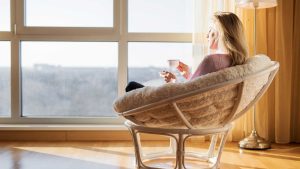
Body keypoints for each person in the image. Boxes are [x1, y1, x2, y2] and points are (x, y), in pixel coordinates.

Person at [126, 12, 248, 92]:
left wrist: (172, 81)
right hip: (195, 108)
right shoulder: (234, 61)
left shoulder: (212, 60)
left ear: (220, 34)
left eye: (210, 31)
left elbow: (186, 93)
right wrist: (188, 74)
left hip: (177, 108)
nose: (206, 35)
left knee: (131, 86)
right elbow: (196, 87)